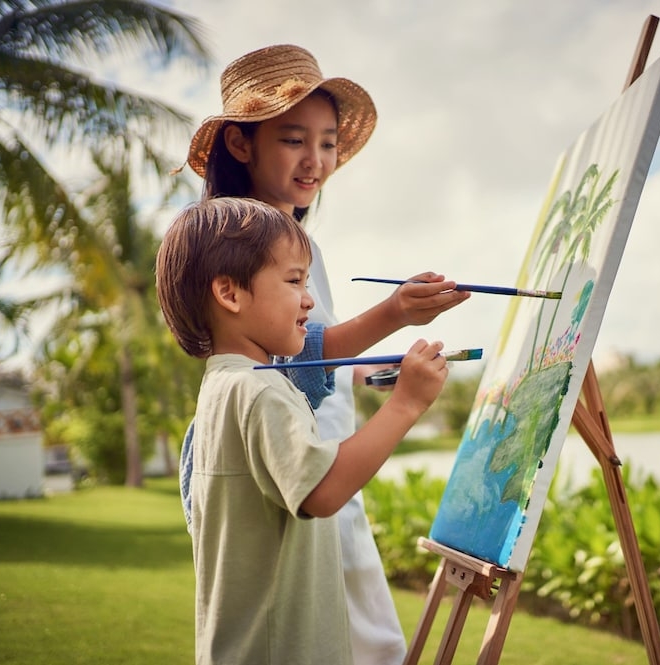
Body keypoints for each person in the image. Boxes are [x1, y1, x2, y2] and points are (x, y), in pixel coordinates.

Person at [177, 44, 470, 664]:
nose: (315, 161)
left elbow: (309, 351)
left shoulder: (286, 239)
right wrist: (394, 313)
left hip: (317, 458)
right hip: (306, 466)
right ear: (241, 145)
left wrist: (362, 367)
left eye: (328, 142)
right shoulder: (246, 240)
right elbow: (305, 352)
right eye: (292, 140)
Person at [156, 196, 449, 665]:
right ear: (230, 294)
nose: (310, 299)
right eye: (294, 281)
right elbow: (322, 491)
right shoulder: (259, 392)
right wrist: (407, 403)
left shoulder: (222, 385)